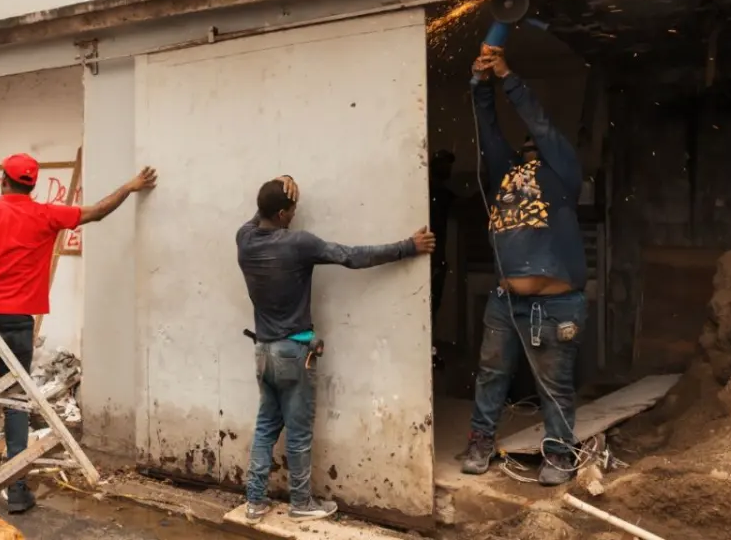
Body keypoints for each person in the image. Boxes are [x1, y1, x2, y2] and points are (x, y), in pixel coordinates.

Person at [0, 153, 157, 514]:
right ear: (32, 184)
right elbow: (97, 212)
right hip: (19, 321)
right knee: (17, 400)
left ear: (3, 180)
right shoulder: (47, 215)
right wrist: (129, 186)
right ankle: (17, 488)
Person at [237, 175, 436, 521]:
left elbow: (259, 215)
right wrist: (408, 246)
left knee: (266, 428)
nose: (295, 214)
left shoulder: (245, 239)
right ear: (283, 214)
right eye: (292, 210)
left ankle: (254, 502)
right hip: (294, 353)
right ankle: (301, 504)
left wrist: (279, 186)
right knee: (298, 433)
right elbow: (351, 257)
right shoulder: (298, 243)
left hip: (263, 352)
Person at [461, 45, 588, 486]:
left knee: (554, 385)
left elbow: (541, 124)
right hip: (505, 301)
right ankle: (480, 442)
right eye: (527, 144)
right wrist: (481, 86)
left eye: (537, 142)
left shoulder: (563, 173)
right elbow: (488, 130)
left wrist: (507, 77)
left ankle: (558, 454)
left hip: (557, 305)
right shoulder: (506, 173)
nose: (531, 143)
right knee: (491, 374)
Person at [429, 149, 457, 314]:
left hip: (437, 257)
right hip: (430, 256)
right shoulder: (433, 191)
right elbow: (465, 206)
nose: (448, 168)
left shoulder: (442, 192)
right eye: (444, 164)